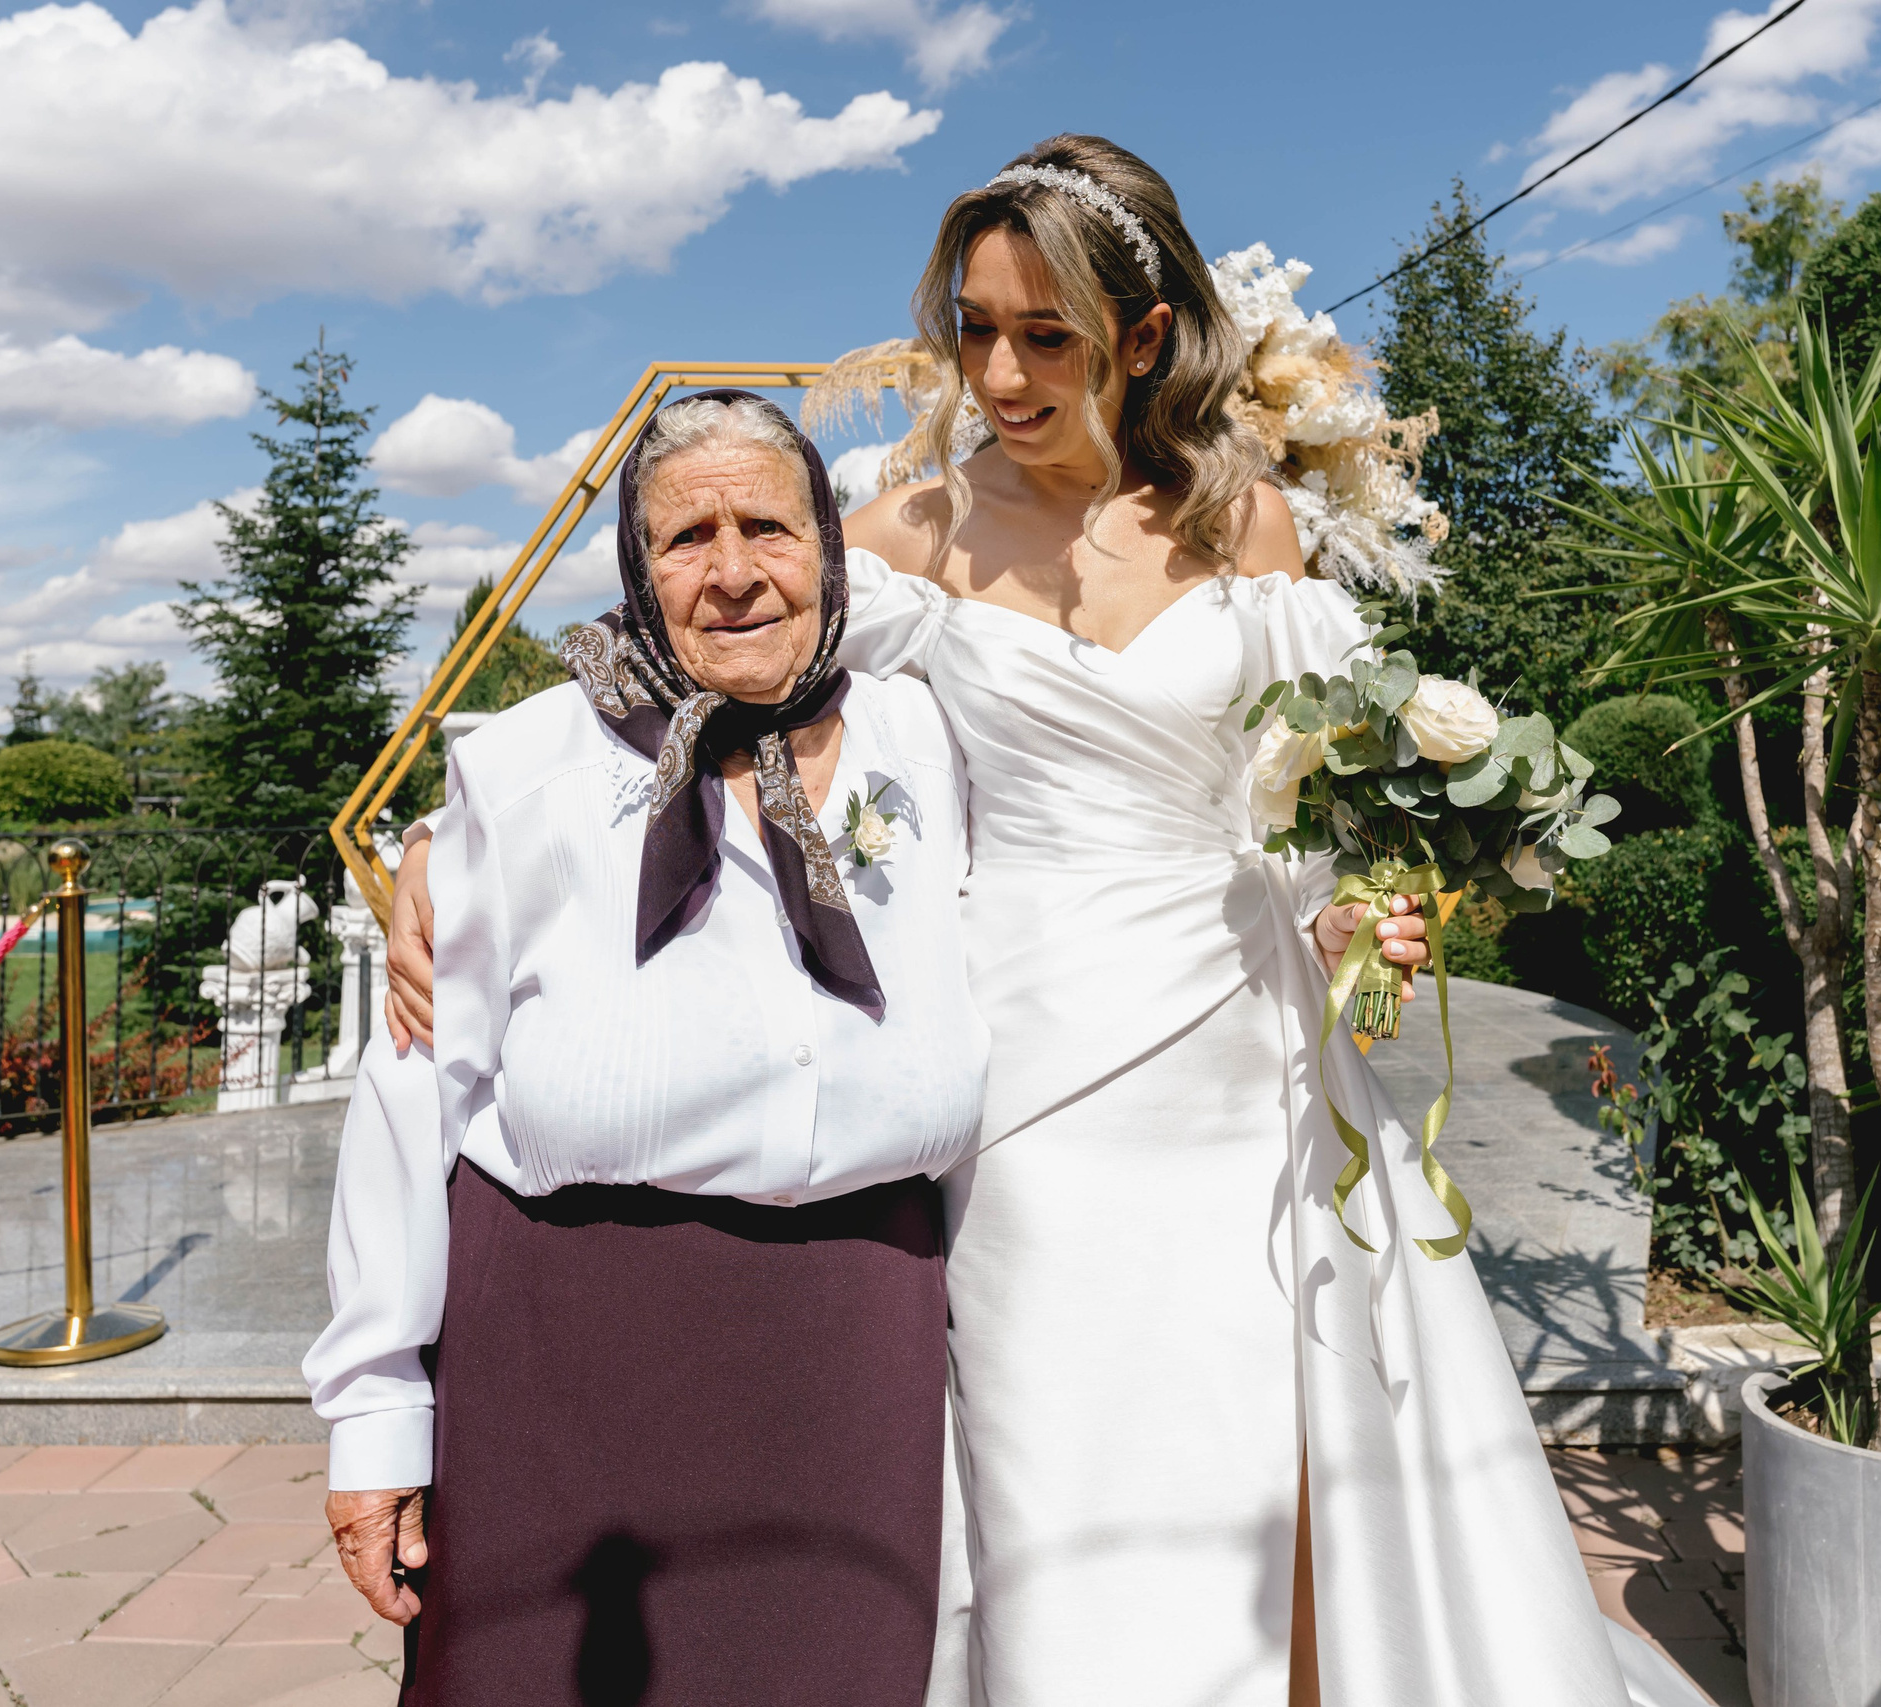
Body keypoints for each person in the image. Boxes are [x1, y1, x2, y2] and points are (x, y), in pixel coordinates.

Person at [388, 139, 1709, 1707]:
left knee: (1295, 1453)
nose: (1000, 374)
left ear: (1143, 338)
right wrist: (445, 840)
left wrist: (1352, 911)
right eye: (974, 329)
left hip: (1257, 1060)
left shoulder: (1251, 527)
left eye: (1045, 336)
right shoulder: (909, 532)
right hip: (1028, 1078)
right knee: (1068, 1468)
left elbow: (1288, 798)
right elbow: (680, 660)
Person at [305, 391, 989, 1707]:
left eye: (769, 528)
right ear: (635, 564)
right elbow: (413, 1085)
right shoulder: (527, 767)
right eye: (686, 539)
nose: (733, 572)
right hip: (575, 1350)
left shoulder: (926, 739)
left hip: (856, 1351)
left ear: (828, 545)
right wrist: (375, 1413)